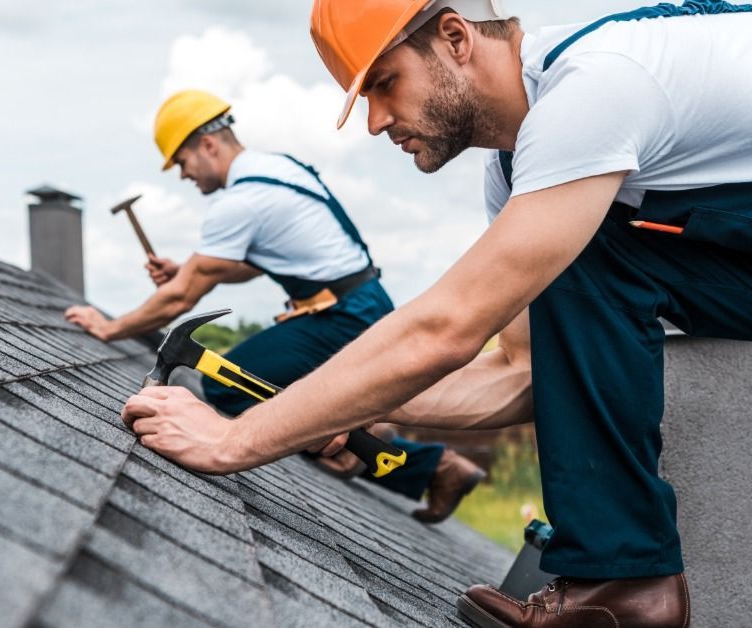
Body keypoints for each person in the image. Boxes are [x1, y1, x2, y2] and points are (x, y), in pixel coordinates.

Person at [120, 1, 752, 626]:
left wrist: (237, 438)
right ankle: (623, 579)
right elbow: (521, 376)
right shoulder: (524, 176)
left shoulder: (596, 88)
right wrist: (326, 410)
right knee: (589, 253)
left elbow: (447, 327)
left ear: (456, 38)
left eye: (384, 84)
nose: (373, 122)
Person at [65, 89, 485, 523]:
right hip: (358, 304)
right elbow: (247, 266)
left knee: (227, 386)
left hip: (340, 316)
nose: (184, 176)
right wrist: (187, 269)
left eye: (182, 163)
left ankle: (397, 455)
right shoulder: (277, 169)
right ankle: (385, 448)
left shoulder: (239, 200)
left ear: (207, 145)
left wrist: (109, 327)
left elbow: (181, 297)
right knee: (287, 393)